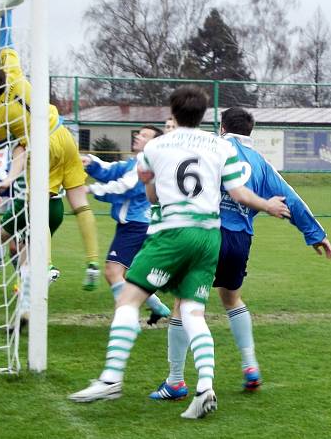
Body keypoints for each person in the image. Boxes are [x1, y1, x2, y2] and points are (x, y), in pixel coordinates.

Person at [68, 86, 290, 420]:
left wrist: (152, 183)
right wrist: (268, 205)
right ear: (203, 115)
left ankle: (111, 378)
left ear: (173, 111)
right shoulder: (219, 145)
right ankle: (204, 387)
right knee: (193, 313)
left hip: (172, 233)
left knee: (129, 299)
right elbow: (239, 192)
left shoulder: (157, 146)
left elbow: (152, 194)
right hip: (208, 237)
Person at [149, 107, 331, 401]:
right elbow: (292, 198)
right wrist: (315, 234)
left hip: (207, 233)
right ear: (250, 132)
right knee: (231, 297)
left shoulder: (213, 147)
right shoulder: (260, 163)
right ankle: (250, 367)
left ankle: (175, 382)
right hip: (240, 240)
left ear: (222, 127)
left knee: (183, 303)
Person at [0, 9, 100, 290]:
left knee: (37, 206)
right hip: (63, 134)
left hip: (40, 148)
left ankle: (46, 265)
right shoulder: (15, 74)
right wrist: (5, 13)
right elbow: (6, 41)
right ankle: (92, 260)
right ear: (1, 74)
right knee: (80, 202)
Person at [81, 125, 171, 322]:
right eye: (139, 133)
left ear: (153, 143)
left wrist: (91, 190)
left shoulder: (144, 164)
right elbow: (113, 170)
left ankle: (126, 319)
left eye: (144, 135)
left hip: (135, 225)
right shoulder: (135, 162)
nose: (138, 136)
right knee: (130, 275)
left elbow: (124, 187)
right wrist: (91, 162)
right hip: (138, 224)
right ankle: (159, 308)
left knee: (113, 272)